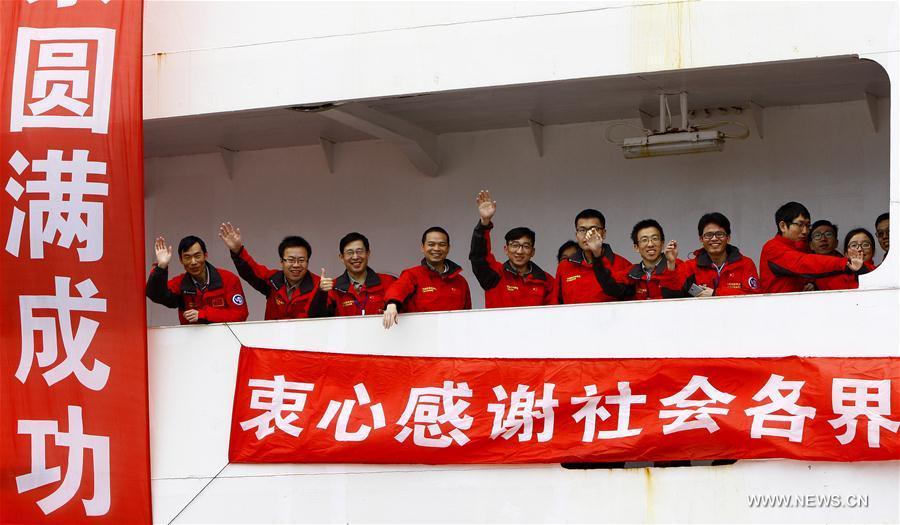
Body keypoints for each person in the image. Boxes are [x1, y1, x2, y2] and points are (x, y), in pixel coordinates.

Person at [468, 190, 556, 308]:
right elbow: (478, 257)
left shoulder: (546, 280)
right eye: (515, 245)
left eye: (525, 246)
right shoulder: (495, 275)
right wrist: (484, 223)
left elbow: (554, 315)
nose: (519, 251)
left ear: (533, 252)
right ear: (506, 249)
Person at [218, 222, 320, 320]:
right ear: (281, 262)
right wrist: (237, 250)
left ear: (308, 262)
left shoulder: (318, 286)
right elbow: (251, 271)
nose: (296, 265)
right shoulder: (272, 280)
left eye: (301, 260)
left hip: (306, 337)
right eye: (291, 260)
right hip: (273, 337)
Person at [758, 202, 864, 294]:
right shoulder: (772, 248)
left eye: (808, 225)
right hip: (778, 309)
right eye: (800, 225)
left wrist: (811, 283)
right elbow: (803, 263)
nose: (805, 231)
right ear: (783, 226)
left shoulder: (802, 246)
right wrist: (844, 263)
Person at [145, 235, 248, 325]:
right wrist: (161, 267)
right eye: (187, 257)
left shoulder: (228, 279)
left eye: (197, 256)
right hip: (192, 344)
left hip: (224, 341)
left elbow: (240, 314)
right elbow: (155, 295)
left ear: (205, 255)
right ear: (181, 260)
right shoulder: (180, 283)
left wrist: (202, 314)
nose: (193, 262)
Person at [383, 226, 471, 329]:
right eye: (431, 244)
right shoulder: (412, 274)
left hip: (452, 337)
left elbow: (468, 315)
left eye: (442, 244)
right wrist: (392, 305)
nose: (436, 248)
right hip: (420, 336)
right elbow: (398, 289)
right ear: (422, 247)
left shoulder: (460, 281)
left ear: (448, 248)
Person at [308, 232, 396, 317]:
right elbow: (316, 319)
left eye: (359, 251)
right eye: (350, 253)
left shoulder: (388, 281)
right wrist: (321, 293)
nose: (355, 257)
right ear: (341, 257)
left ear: (368, 253)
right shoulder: (332, 287)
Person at [672, 213, 760, 297]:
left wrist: (716, 293)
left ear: (728, 238)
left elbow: (754, 296)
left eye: (719, 234)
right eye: (708, 235)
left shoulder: (745, 264)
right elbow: (672, 294)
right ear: (701, 239)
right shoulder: (689, 267)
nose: (714, 238)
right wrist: (670, 265)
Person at [591, 219, 682, 300]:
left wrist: (671, 266)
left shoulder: (678, 265)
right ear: (636, 247)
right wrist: (596, 254)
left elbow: (687, 292)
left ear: (662, 243)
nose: (650, 244)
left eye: (655, 239)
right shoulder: (632, 273)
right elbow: (611, 288)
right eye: (644, 240)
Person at [555, 209, 631, 304]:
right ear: (576, 235)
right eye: (582, 230)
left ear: (604, 233)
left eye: (593, 229)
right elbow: (555, 305)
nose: (588, 235)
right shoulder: (565, 267)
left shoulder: (622, 264)